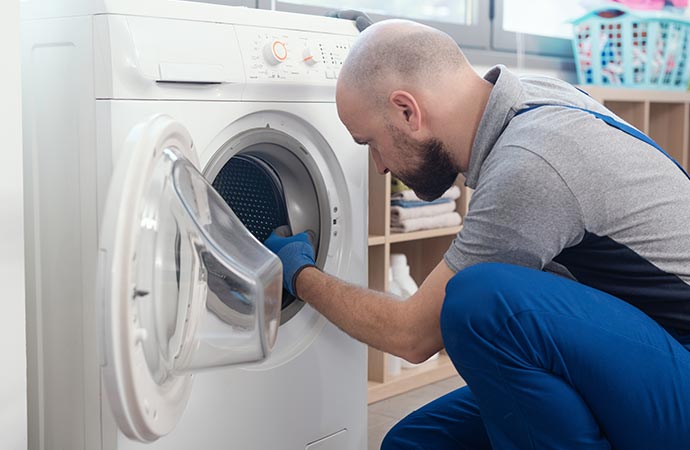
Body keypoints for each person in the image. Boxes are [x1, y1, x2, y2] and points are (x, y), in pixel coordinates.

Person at [264, 18, 690, 449]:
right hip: (643, 352)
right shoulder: (532, 98)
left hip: (680, 373)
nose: (379, 166)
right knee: (415, 443)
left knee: (482, 301)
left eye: (371, 142)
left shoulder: (529, 164)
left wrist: (300, 274)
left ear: (407, 110)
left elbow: (412, 336)